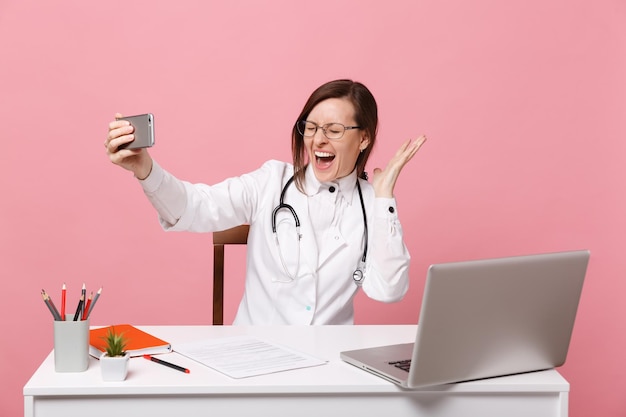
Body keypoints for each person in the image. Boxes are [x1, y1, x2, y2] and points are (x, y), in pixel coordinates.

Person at [105, 79, 426, 325]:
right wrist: (145, 170)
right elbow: (192, 208)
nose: (318, 140)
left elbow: (389, 290)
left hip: (327, 373)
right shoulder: (271, 181)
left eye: (334, 130)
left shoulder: (373, 205)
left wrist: (384, 200)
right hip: (255, 361)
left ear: (364, 137)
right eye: (310, 128)